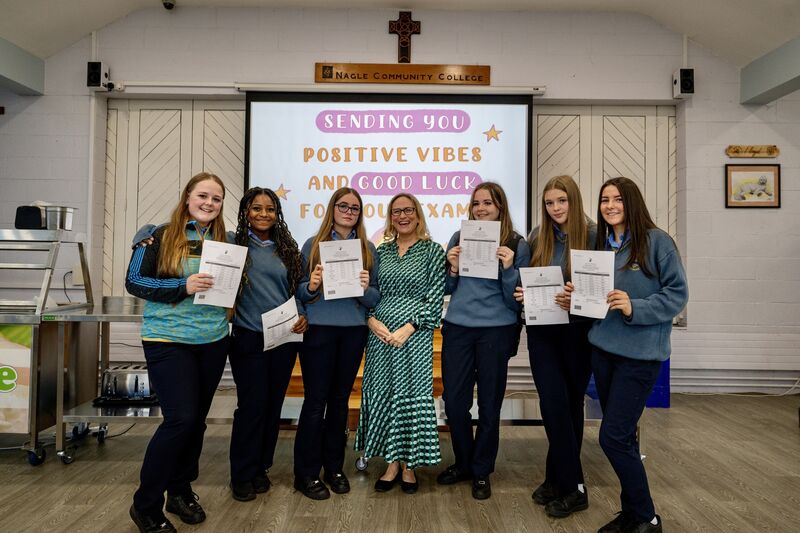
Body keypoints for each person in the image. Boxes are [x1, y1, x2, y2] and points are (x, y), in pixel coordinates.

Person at [125, 172, 229, 533]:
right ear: (187, 197)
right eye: (203, 196)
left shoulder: (225, 241)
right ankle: (146, 504)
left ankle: (180, 491)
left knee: (196, 422)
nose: (209, 203)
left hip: (213, 339)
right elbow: (134, 281)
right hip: (168, 340)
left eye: (216, 199)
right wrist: (182, 285)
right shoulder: (157, 235)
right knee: (180, 419)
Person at [589, 177, 688, 533]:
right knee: (625, 436)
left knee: (612, 437)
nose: (610, 206)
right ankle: (631, 513)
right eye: (604, 200)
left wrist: (635, 306)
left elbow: (677, 295)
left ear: (631, 202)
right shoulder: (601, 245)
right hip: (604, 351)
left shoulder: (658, 242)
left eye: (617, 199)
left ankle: (648, 517)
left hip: (641, 356)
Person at [437, 182, 531, 500]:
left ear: (500, 206)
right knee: (454, 403)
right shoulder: (458, 237)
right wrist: (451, 268)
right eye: (476, 203)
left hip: (496, 330)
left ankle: (481, 470)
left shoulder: (517, 244)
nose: (480, 209)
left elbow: (515, 299)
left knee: (490, 405)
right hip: (458, 327)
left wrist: (508, 268)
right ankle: (464, 462)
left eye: (487, 203)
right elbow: (447, 288)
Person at [513, 175, 596, 518]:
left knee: (569, 406)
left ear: (573, 201)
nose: (555, 208)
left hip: (577, 333)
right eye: (549, 203)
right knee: (552, 404)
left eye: (562, 200)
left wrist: (577, 298)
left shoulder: (593, 235)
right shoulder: (538, 235)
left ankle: (572, 486)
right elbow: (529, 279)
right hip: (542, 332)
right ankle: (560, 478)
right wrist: (523, 294)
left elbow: (600, 291)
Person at [355, 193, 446, 494]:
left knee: (411, 395)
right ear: (390, 217)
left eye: (408, 210)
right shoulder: (381, 251)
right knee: (384, 392)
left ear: (418, 215)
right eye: (396, 212)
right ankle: (391, 463)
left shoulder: (433, 251)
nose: (402, 216)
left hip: (415, 336)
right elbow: (371, 291)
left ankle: (409, 465)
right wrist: (371, 320)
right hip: (380, 336)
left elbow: (435, 298)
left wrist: (409, 328)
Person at [293, 187, 380, 500]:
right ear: (332, 209)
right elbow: (299, 291)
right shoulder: (313, 244)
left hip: (353, 332)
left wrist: (364, 288)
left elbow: (375, 297)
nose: (348, 212)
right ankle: (306, 473)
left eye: (355, 208)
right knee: (316, 401)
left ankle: (334, 468)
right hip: (319, 331)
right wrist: (313, 285)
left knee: (340, 402)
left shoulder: (368, 249)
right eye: (343, 206)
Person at [228, 187, 308, 502]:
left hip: (284, 337)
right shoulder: (233, 244)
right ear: (246, 212)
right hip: (248, 336)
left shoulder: (287, 248)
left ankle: (261, 467)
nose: (264, 214)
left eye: (270, 209)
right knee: (252, 407)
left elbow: (296, 291)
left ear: (277, 214)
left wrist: (302, 314)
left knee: (273, 406)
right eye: (257, 208)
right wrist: (146, 234)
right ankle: (242, 473)